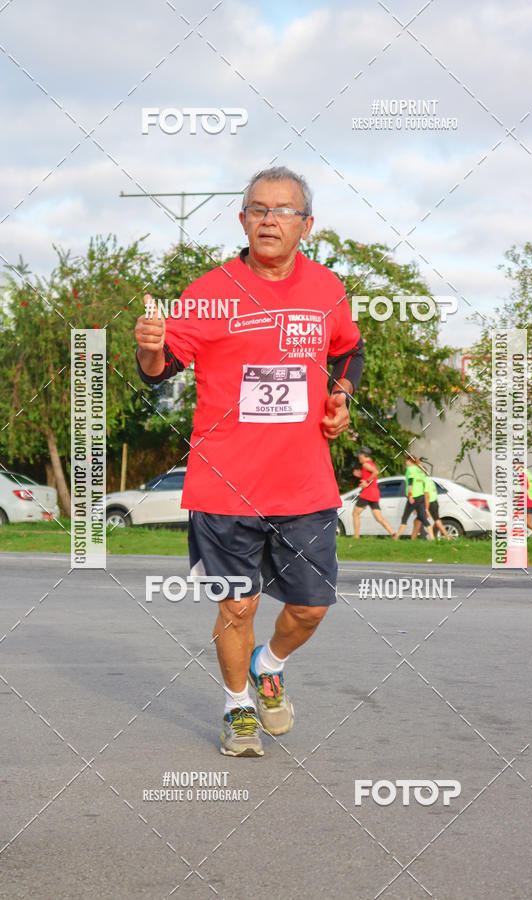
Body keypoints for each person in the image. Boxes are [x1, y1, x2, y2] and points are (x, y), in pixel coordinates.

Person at [135, 166, 364, 756]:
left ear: (306, 226)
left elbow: (349, 350)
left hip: (305, 484)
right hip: (223, 483)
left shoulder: (326, 289)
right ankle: (238, 708)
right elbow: (163, 368)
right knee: (238, 603)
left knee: (311, 607)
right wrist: (150, 348)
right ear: (242, 220)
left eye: (284, 210)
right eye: (258, 208)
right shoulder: (208, 292)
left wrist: (340, 399)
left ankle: (271, 663)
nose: (269, 218)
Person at [351, 447, 395, 538]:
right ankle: (393, 534)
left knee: (355, 513)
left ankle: (356, 536)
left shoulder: (365, 464)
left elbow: (375, 472)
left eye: (360, 454)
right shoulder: (371, 464)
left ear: (363, 455)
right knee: (378, 518)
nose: (358, 456)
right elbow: (371, 474)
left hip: (367, 493)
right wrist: (360, 475)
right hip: (374, 493)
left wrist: (367, 482)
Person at [395, 454, 434, 540]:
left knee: (404, 518)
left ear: (410, 461)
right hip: (420, 497)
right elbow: (423, 485)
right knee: (423, 519)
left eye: (406, 461)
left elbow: (411, 482)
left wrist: (410, 496)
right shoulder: (420, 470)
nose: (406, 463)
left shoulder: (410, 469)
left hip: (413, 496)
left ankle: (396, 537)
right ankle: (432, 537)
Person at [423, 474, 450, 539]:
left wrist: (426, 508)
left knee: (435, 520)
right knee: (432, 519)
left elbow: (426, 495)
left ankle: (446, 537)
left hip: (430, 503)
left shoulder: (424, 481)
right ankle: (430, 537)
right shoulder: (430, 480)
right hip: (435, 501)